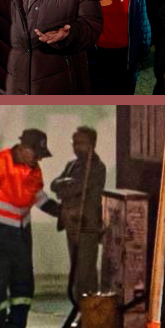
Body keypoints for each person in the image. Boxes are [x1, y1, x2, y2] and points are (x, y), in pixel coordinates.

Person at [0, 129, 61, 328]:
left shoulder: (33, 169)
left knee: (23, 283)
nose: (39, 159)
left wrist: (61, 212)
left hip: (21, 231)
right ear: (23, 149)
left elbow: (38, 197)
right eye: (37, 154)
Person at [50, 126, 106, 307]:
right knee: (76, 269)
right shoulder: (72, 165)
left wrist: (65, 188)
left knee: (85, 270)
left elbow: (75, 189)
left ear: (92, 144)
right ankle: (80, 307)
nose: (77, 147)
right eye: (74, 143)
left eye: (81, 143)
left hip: (86, 224)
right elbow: (54, 184)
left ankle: (89, 310)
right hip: (71, 223)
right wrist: (65, 184)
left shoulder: (97, 167)